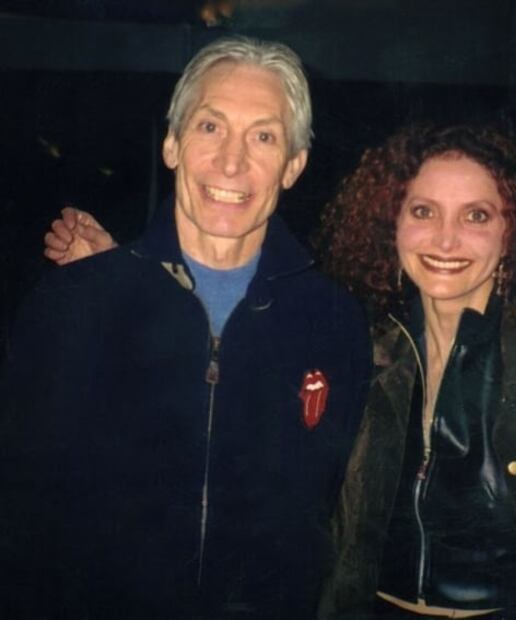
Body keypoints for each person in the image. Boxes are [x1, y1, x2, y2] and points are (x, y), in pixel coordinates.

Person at [0, 36, 370, 620]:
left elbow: (334, 522)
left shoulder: (335, 323)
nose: (231, 162)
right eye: (210, 127)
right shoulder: (70, 305)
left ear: (294, 166)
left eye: (264, 137)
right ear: (172, 144)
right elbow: (19, 516)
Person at [314, 122, 516, 619]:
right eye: (423, 211)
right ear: (392, 225)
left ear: (511, 233)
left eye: (476, 215)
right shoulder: (359, 356)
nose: (445, 238)